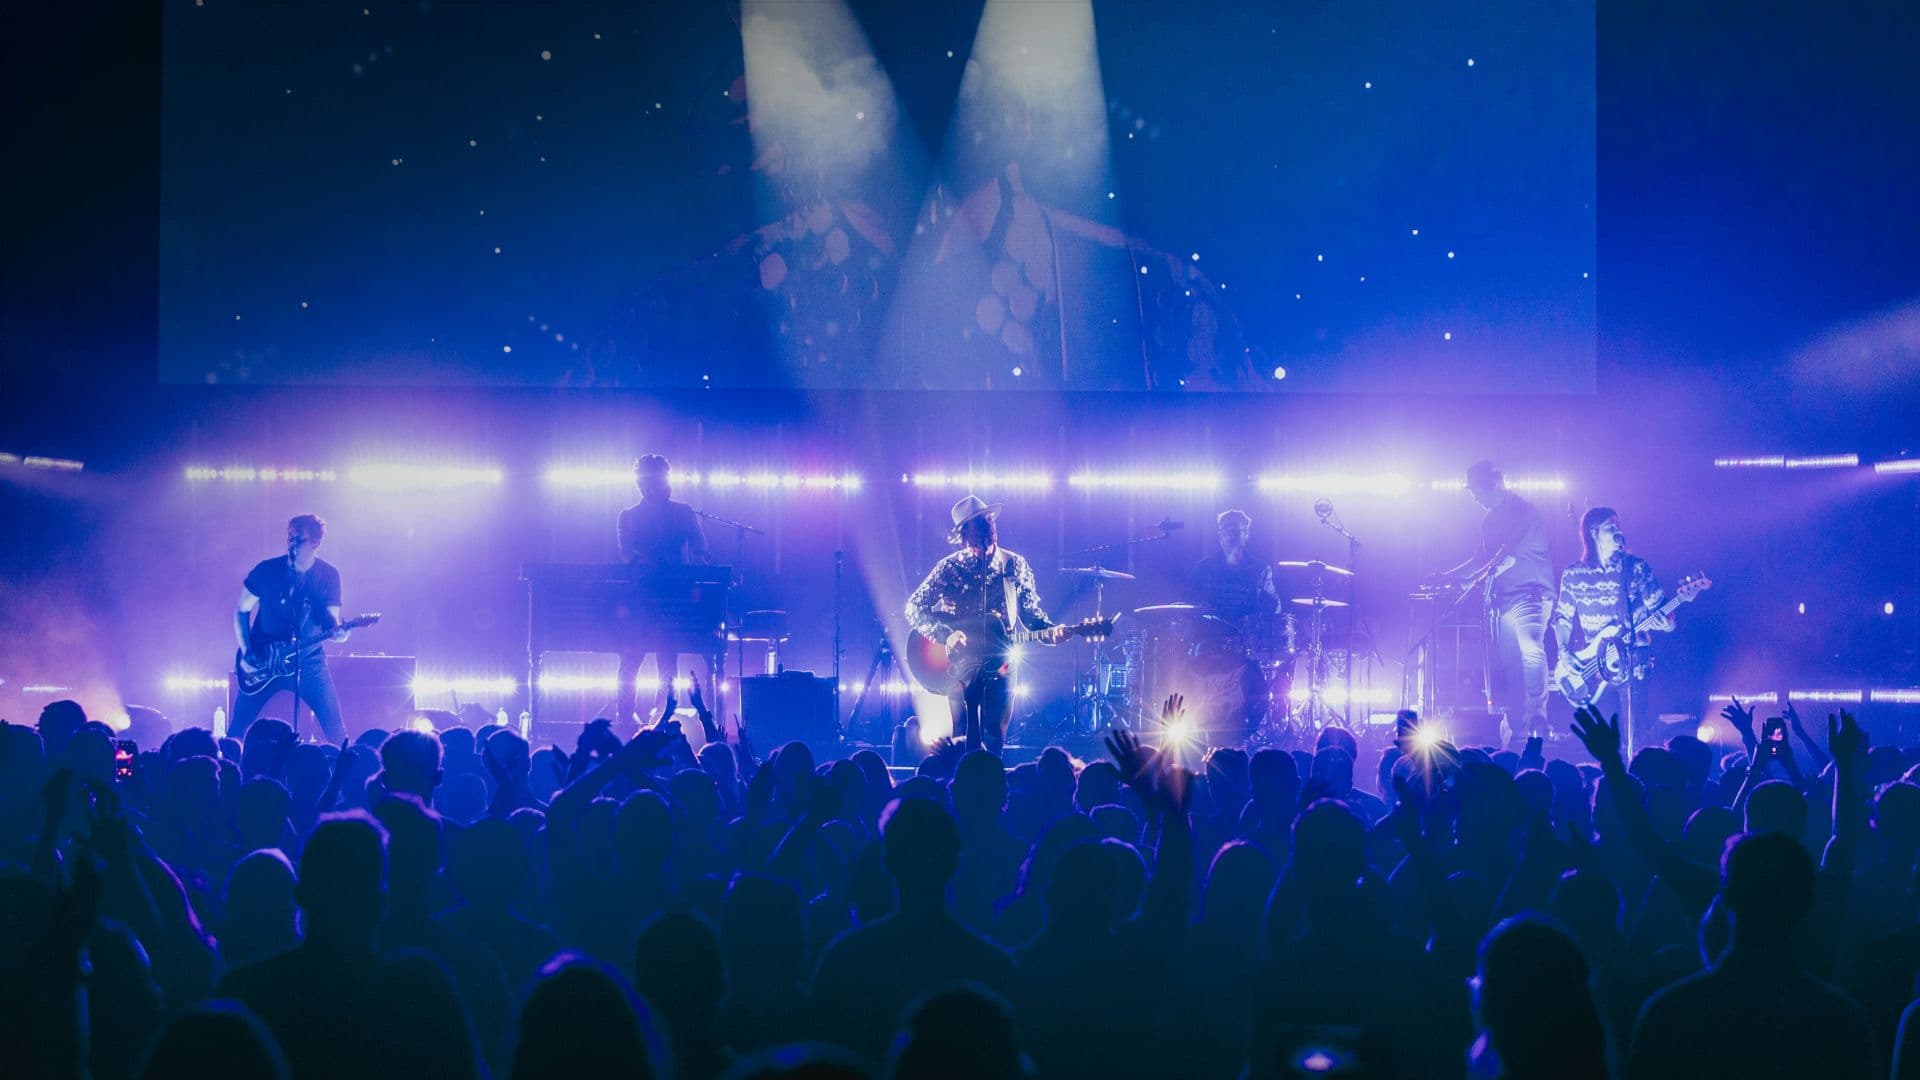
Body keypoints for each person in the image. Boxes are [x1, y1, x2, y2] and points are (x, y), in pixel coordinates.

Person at [905, 495, 1066, 754]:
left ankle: (991, 785)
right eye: (979, 523)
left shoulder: (1014, 565)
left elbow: (1032, 616)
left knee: (994, 736)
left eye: (989, 520)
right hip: (959, 665)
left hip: (1001, 661)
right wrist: (946, 635)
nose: (987, 526)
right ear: (964, 533)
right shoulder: (949, 567)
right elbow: (914, 608)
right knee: (962, 735)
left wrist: (1051, 632)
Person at [1440, 461, 1554, 741]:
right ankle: (1518, 723)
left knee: (1531, 648)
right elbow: (1480, 559)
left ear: (1494, 484)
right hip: (1504, 601)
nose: (1475, 498)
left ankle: (1538, 715)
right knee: (1512, 663)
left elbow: (1506, 556)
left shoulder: (1523, 511)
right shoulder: (1489, 522)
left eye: (1477, 490)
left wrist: (1475, 578)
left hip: (1531, 593)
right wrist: (1448, 577)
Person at [1551, 506, 1674, 735]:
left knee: (1634, 732)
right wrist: (1564, 651)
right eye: (1610, 527)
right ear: (1593, 533)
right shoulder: (1573, 574)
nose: (1617, 531)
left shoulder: (1636, 567)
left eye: (1618, 527)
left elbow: (1663, 612)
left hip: (1634, 659)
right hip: (1594, 664)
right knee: (1601, 736)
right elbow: (1563, 617)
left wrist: (1667, 623)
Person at [232, 514, 352, 742]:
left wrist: (341, 634)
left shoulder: (328, 575)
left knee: (337, 733)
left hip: (310, 663)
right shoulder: (267, 570)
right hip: (265, 660)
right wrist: (249, 652)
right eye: (290, 538)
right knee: (237, 731)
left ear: (316, 543)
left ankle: (340, 774)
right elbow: (241, 610)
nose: (292, 544)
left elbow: (331, 623)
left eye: (300, 540)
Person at [614, 454, 711, 728]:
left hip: (671, 599)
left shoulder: (682, 512)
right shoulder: (629, 517)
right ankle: (626, 719)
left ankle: (662, 716)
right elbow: (627, 555)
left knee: (665, 661)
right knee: (633, 661)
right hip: (641, 602)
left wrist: (698, 564)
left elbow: (700, 546)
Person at [1192, 509, 1279, 624]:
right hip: (1212, 636)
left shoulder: (1260, 570)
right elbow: (1190, 603)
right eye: (1225, 530)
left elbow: (1274, 608)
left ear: (1246, 534)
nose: (1229, 535)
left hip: (1248, 637)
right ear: (1219, 535)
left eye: (1234, 530)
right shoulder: (1204, 568)